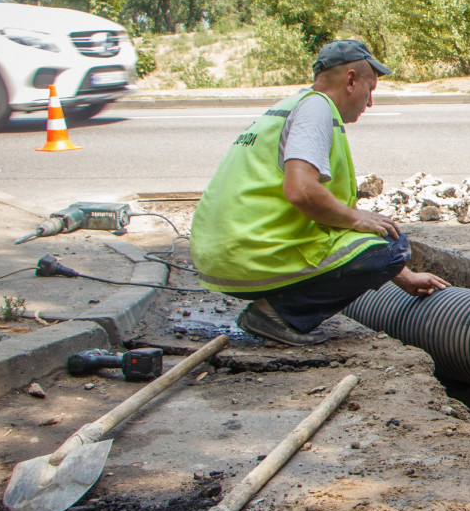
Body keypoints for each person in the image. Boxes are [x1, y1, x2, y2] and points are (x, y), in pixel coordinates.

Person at [190, 39, 448, 345]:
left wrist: (403, 278)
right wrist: (357, 218)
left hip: (225, 252)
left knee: (378, 245)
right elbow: (301, 191)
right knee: (391, 244)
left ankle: (276, 307)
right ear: (350, 80)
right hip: (251, 253)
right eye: (371, 89)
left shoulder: (290, 107)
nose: (370, 103)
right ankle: (274, 315)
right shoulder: (317, 109)